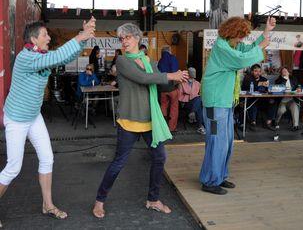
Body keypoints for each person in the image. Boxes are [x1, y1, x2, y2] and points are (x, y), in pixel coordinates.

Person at [0, 17, 96, 222]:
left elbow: (64, 56)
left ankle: (47, 205)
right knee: (13, 167)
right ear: (34, 39)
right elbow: (56, 57)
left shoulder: (42, 54)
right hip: (17, 119)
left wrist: (85, 37)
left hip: (33, 116)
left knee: (47, 158)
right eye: (45, 35)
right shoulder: (26, 58)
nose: (49, 37)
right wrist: (80, 35)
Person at [92, 23, 188, 218]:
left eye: (127, 37)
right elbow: (143, 78)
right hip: (129, 121)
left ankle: (153, 199)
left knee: (160, 158)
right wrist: (170, 74)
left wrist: (175, 81)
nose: (124, 42)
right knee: (119, 162)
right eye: (121, 39)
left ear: (137, 38)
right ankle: (99, 201)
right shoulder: (122, 61)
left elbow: (157, 85)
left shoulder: (149, 61)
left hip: (149, 120)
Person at [199, 16, 276, 195]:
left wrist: (266, 32)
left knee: (226, 142)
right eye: (240, 36)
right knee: (216, 141)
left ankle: (219, 176)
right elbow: (242, 59)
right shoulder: (222, 46)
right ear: (232, 33)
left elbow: (248, 49)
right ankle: (210, 180)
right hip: (214, 103)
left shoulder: (231, 45)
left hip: (224, 101)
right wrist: (261, 47)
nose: (242, 39)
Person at [241, 64, 276, 130]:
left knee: (272, 102)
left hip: (261, 100)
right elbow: (249, 86)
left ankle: (268, 122)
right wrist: (260, 84)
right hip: (250, 99)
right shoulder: (248, 78)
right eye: (256, 71)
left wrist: (268, 87)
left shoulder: (263, 79)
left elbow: (267, 89)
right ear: (252, 72)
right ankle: (253, 123)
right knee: (253, 105)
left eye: (259, 71)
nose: (258, 73)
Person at [157, 46, 180, 132]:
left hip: (162, 87)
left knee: (163, 106)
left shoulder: (160, 61)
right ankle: (172, 128)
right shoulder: (172, 58)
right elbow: (175, 72)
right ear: (169, 51)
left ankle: (163, 126)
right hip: (172, 87)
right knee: (174, 107)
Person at [178, 67, 205, 135]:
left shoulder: (198, 83)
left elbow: (201, 94)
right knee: (198, 101)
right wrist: (187, 96)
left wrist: (187, 93)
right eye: (192, 72)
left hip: (195, 103)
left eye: (194, 72)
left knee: (199, 102)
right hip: (186, 103)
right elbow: (179, 96)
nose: (194, 73)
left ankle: (198, 123)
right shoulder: (182, 83)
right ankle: (201, 126)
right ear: (188, 73)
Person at [275, 67, 300, 131]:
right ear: (281, 73)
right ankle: (276, 122)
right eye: (283, 71)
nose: (285, 72)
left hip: (291, 100)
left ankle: (295, 125)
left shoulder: (293, 79)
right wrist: (284, 78)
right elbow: (278, 88)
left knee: (295, 108)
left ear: (289, 72)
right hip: (282, 101)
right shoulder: (278, 80)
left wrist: (298, 88)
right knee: (281, 111)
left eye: (286, 71)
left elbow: (298, 85)